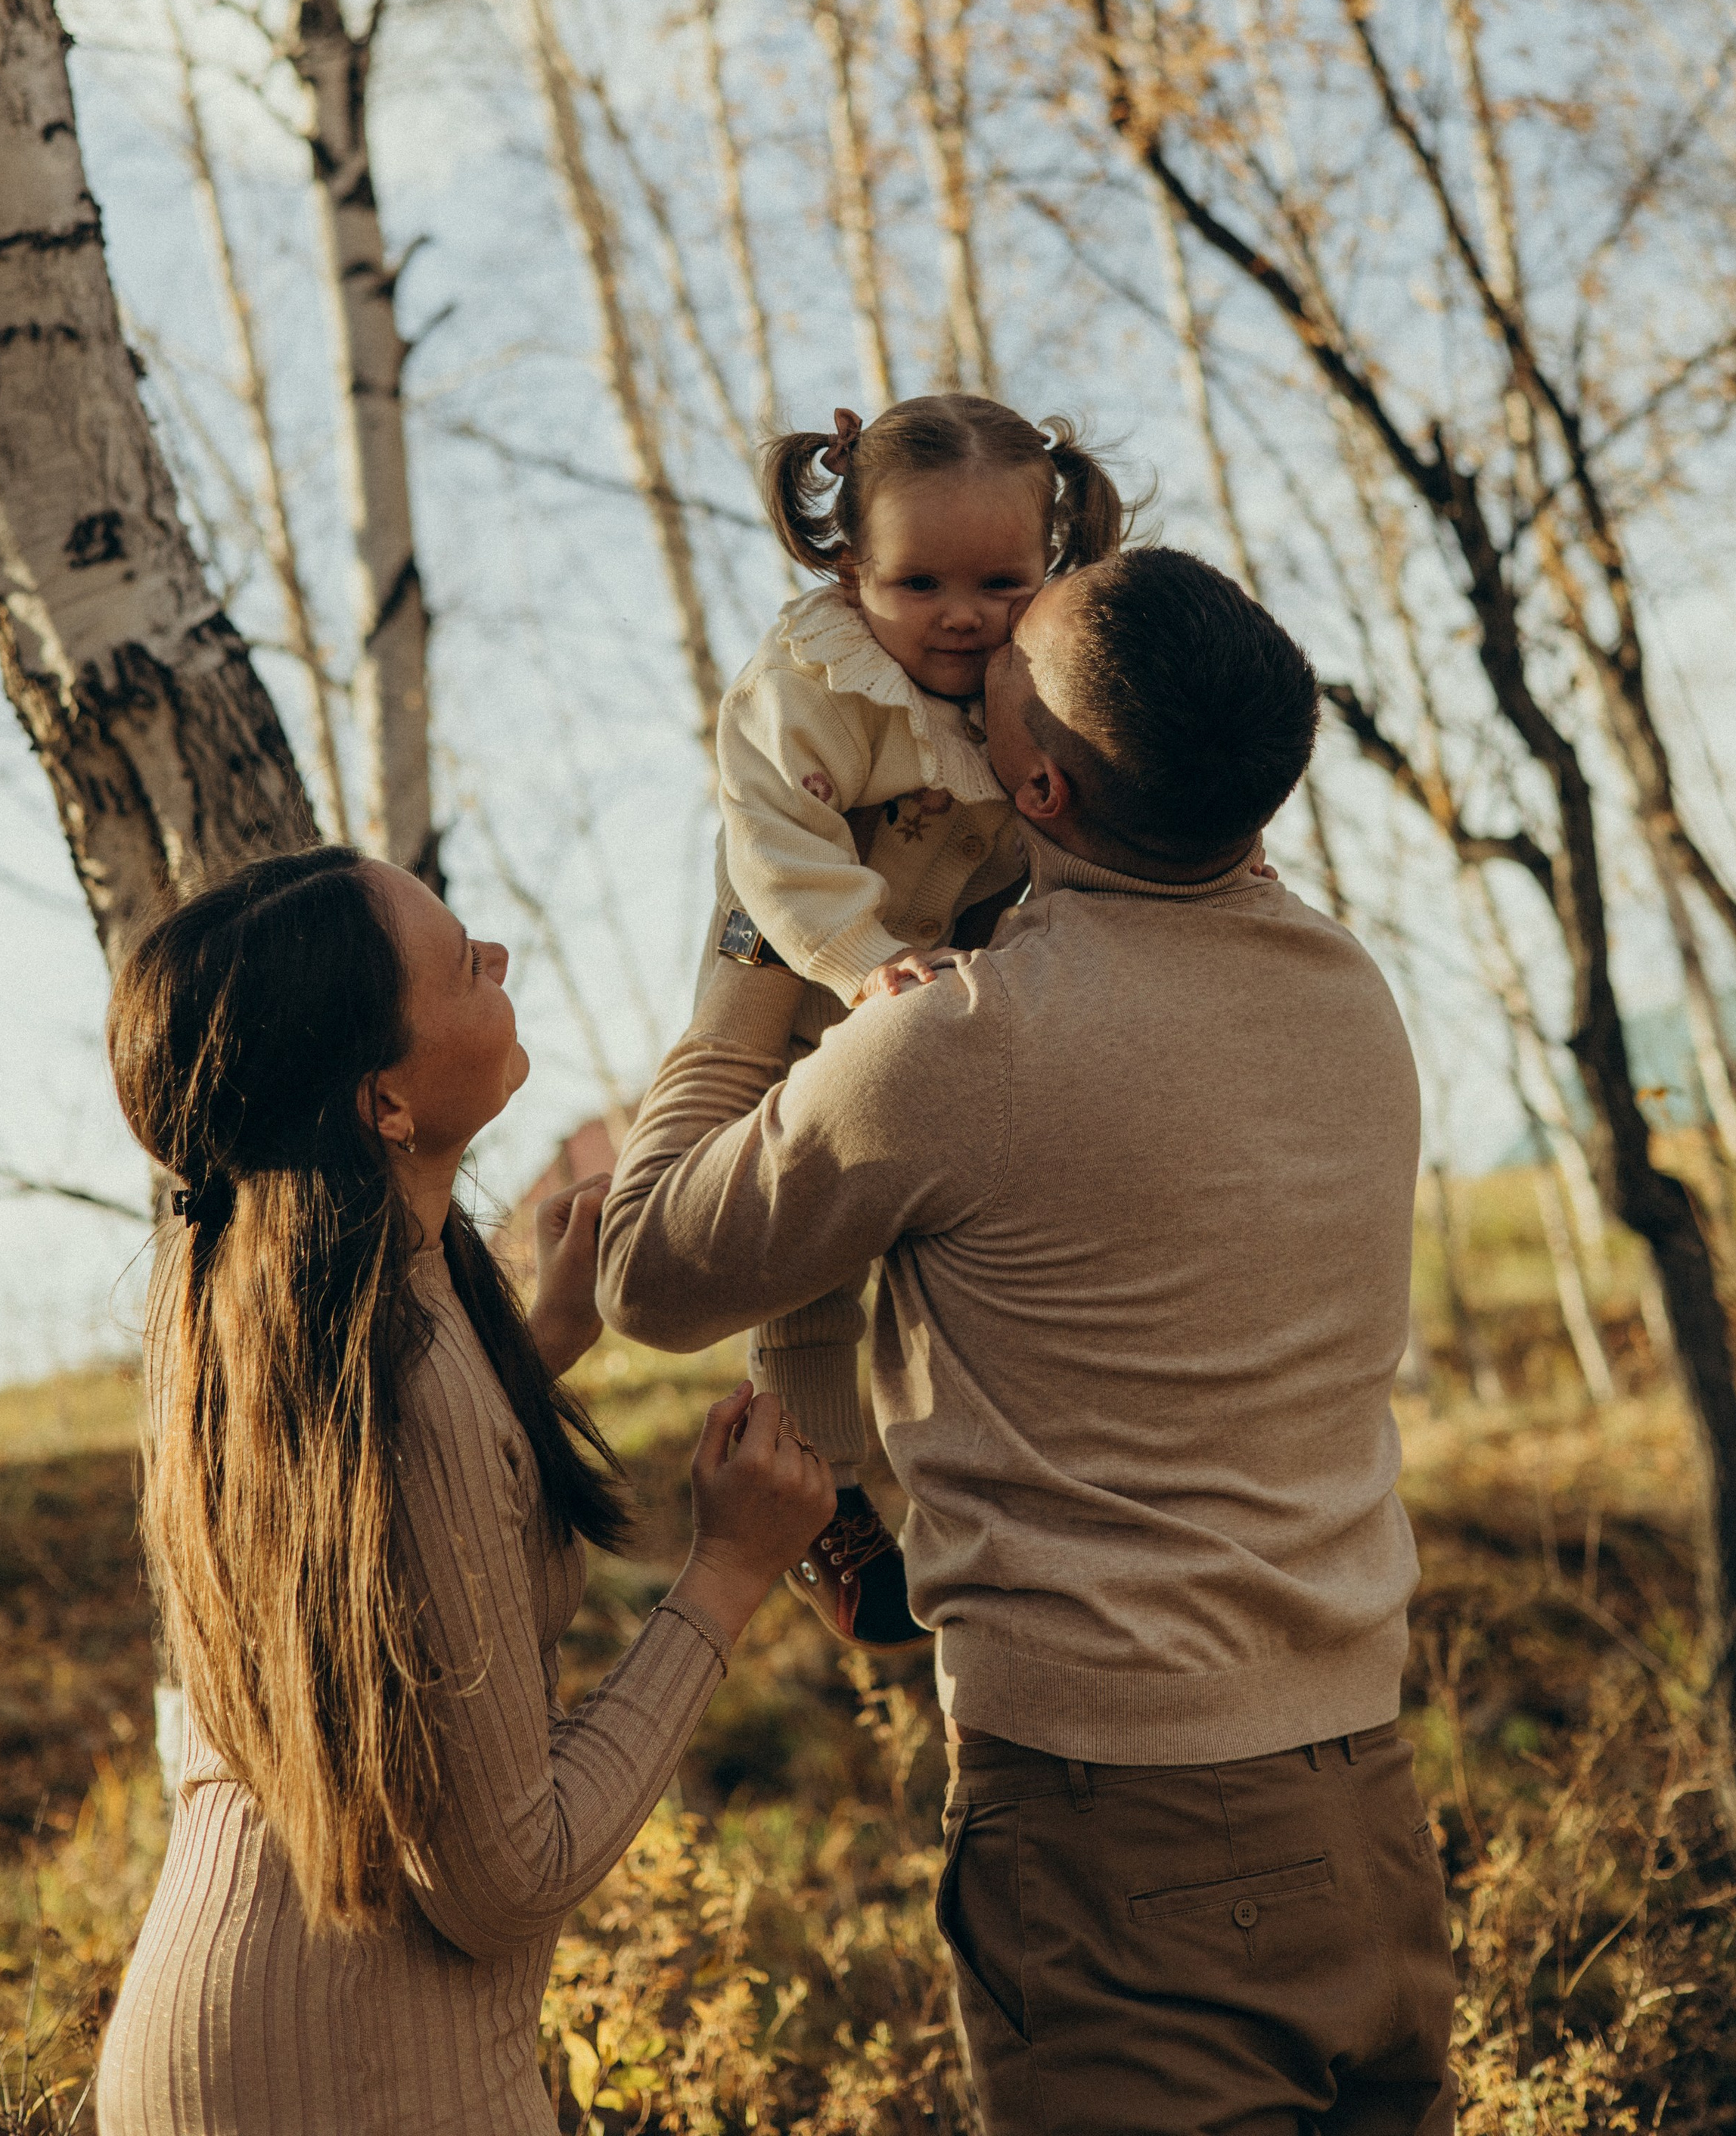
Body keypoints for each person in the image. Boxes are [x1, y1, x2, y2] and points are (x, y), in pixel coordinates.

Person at [601, 549, 1456, 2134]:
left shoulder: (967, 1043)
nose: (967, 652)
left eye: (996, 668)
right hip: (1368, 1805)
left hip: (1117, 1832)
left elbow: (648, 1272)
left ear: (1038, 788)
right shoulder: (1350, 990)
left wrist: (751, 954)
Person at [95, 846, 833, 2136]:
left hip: (218, 2031)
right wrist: (727, 1574)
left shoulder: (252, 1313)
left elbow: (383, 1519)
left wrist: (534, 1351)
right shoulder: (402, 1379)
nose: (494, 956)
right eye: (457, 964)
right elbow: (506, 1880)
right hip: (352, 2070)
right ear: (385, 1101)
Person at [705, 391, 1125, 1646]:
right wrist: (862, 963)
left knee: (984, 1235)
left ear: (1050, 561)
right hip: (805, 979)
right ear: (850, 571)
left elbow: (1109, 781)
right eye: (918, 583)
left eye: (1001, 582)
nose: (962, 615)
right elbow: (770, 841)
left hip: (969, 978)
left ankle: (1013, 1483)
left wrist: (1201, 854)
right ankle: (821, 1494)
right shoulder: (812, 682)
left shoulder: (1048, 671)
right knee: (808, 1253)